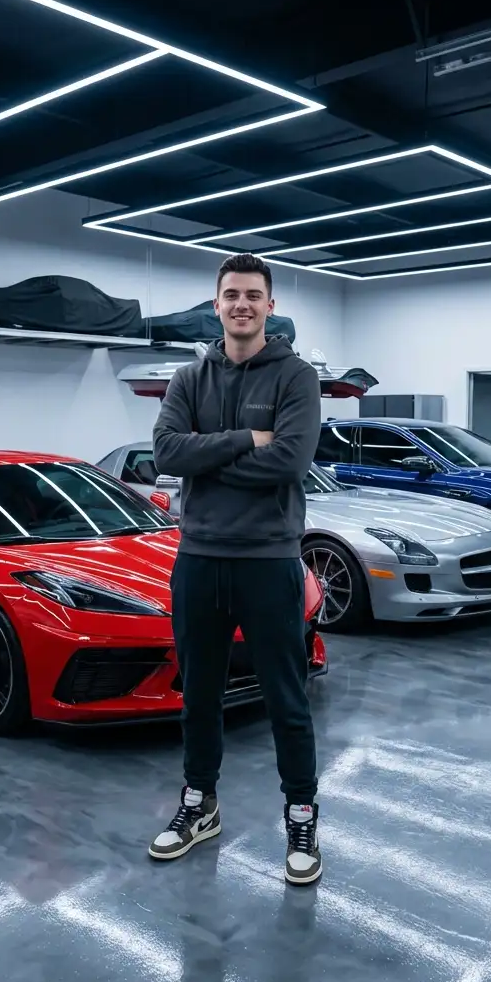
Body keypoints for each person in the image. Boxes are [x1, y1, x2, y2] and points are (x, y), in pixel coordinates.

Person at [149, 252, 323, 885]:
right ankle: (200, 802)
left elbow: (290, 462)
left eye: (253, 295)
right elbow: (166, 452)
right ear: (216, 304)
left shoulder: (296, 377)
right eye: (231, 295)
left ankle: (301, 814)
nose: (241, 305)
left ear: (270, 306)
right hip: (198, 558)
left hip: (268, 561)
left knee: (286, 697)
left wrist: (207, 458)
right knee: (198, 694)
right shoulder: (189, 378)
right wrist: (246, 440)